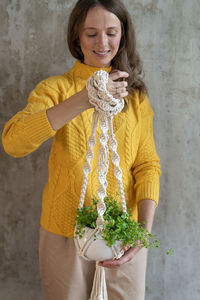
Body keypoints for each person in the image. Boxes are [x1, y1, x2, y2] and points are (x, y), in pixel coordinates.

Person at [2, 0, 161, 299]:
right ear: (77, 36)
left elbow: (147, 165)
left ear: (123, 36)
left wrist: (143, 232)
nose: (102, 42)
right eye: (91, 33)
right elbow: (14, 142)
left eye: (111, 32)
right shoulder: (55, 89)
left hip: (124, 233)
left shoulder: (135, 97)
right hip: (63, 235)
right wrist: (85, 98)